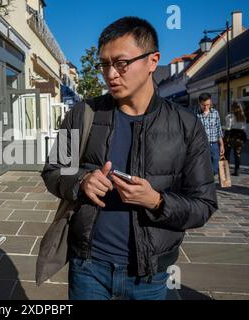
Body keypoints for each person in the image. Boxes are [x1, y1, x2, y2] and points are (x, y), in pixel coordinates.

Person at [41, 17, 217, 300]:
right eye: (104, 64)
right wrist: (82, 180)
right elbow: (53, 171)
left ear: (152, 61)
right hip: (88, 266)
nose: (111, 74)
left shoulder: (186, 125)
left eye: (121, 63)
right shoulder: (81, 114)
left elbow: (204, 205)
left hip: (150, 274)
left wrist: (157, 201)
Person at [196, 93, 225, 176]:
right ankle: (208, 183)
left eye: (208, 105)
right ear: (199, 103)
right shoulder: (195, 114)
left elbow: (218, 129)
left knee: (215, 167)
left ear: (211, 102)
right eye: (203, 105)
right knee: (203, 167)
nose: (206, 107)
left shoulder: (215, 113)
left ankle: (209, 179)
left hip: (214, 145)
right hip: (201, 145)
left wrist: (221, 145)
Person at [223, 101, 247, 176]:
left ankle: (226, 171)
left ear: (232, 108)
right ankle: (237, 171)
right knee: (237, 154)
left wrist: (221, 126)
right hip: (240, 136)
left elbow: (228, 127)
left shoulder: (230, 116)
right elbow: (244, 128)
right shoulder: (243, 116)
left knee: (227, 153)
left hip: (231, 135)